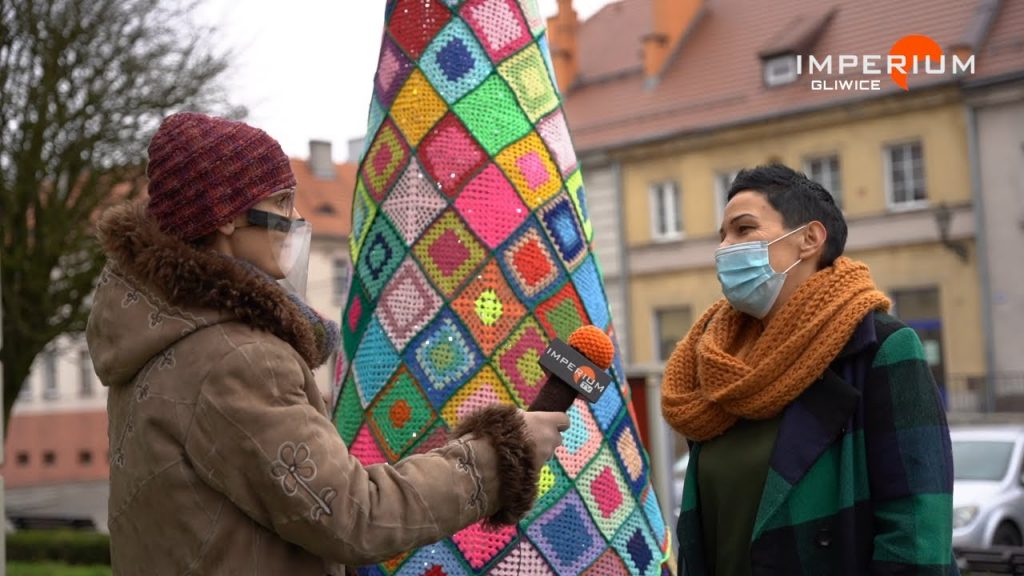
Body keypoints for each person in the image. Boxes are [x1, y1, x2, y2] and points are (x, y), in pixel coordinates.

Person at [86, 112, 570, 575]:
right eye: (280, 203)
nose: (296, 219)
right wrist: (503, 454)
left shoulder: (159, 336)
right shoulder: (235, 360)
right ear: (227, 218)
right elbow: (354, 514)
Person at [661, 164, 957, 575]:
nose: (725, 247)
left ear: (809, 240)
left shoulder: (878, 348)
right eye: (722, 235)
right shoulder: (719, 365)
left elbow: (917, 530)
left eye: (743, 230)